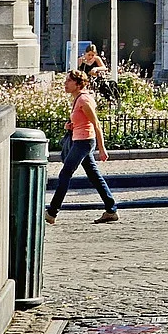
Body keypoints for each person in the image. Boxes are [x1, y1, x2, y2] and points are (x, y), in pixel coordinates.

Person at [45, 70, 119, 224]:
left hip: (84, 142)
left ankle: (52, 212)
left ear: (78, 84)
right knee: (94, 176)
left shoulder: (84, 100)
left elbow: (96, 124)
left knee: (65, 174)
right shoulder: (78, 99)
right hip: (81, 139)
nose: (65, 84)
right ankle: (111, 209)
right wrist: (71, 126)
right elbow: (83, 122)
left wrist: (102, 148)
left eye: (68, 81)